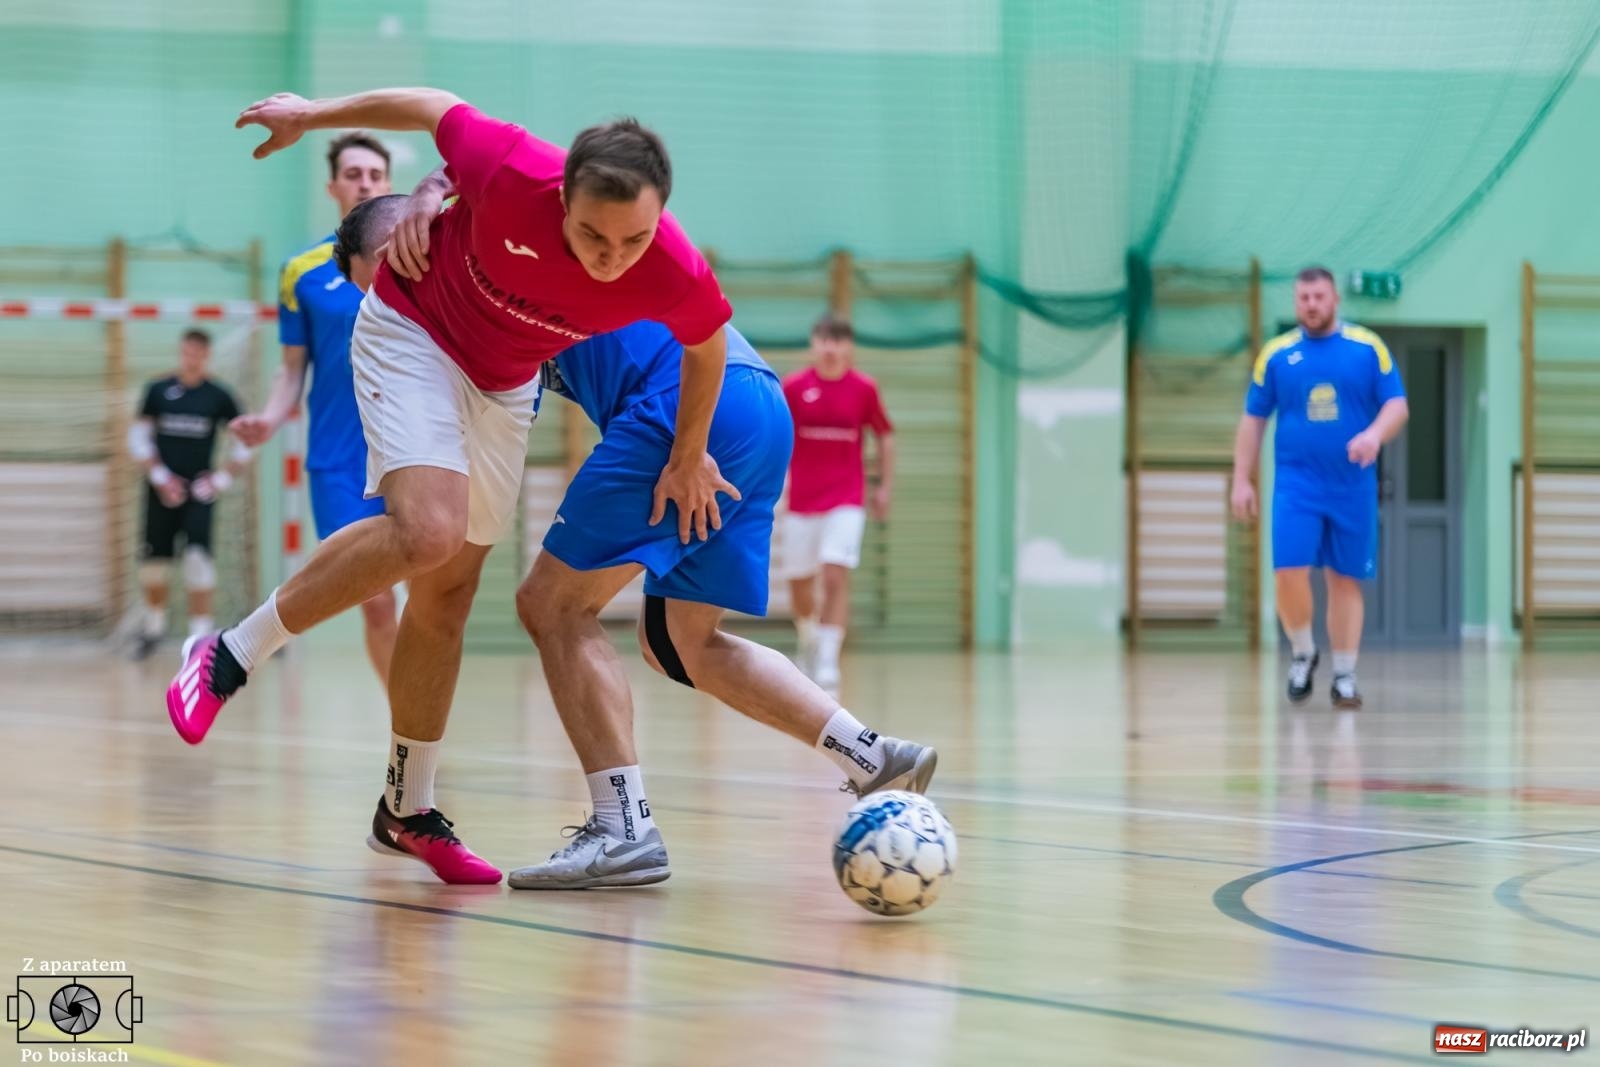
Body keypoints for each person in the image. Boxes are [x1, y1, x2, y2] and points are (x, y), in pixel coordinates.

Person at [168, 87, 737, 887]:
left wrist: (688, 454)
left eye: (632, 239)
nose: (611, 257)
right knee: (428, 531)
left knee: (448, 594)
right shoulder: (511, 165)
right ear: (561, 195)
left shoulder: (671, 262)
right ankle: (229, 652)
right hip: (414, 333)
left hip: (504, 385)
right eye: (590, 235)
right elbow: (433, 106)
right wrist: (312, 115)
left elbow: (707, 349)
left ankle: (407, 808)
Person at [351, 193, 935, 886]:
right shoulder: (490, 290)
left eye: (385, 284)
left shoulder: (492, 258)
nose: (397, 310)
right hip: (757, 404)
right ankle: (870, 755)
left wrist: (689, 445)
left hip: (686, 410)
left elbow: (465, 144)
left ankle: (622, 827)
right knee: (685, 641)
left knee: (553, 605)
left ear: (408, 240)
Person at [229, 131, 400, 686]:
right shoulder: (301, 272)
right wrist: (270, 418)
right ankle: (407, 727)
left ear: (388, 183)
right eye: (354, 174)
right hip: (340, 459)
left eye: (375, 174)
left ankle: (424, 726)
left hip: (416, 447)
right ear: (333, 186)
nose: (365, 183)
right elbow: (292, 369)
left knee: (437, 597)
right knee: (376, 600)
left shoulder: (421, 257)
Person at [1230, 266, 1408, 708]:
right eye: (1303, 298)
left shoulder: (1367, 349)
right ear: (1296, 302)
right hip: (1296, 484)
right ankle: (1303, 652)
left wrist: (1374, 435)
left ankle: (1345, 675)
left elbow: (1397, 406)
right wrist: (1241, 479)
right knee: (1288, 570)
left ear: (1334, 300)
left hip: (1352, 485)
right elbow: (1253, 420)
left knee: (1345, 579)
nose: (1311, 305)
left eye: (1319, 297)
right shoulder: (1276, 355)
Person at [780, 314, 895, 689]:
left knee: (835, 574)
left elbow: (884, 435)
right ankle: (808, 639)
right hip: (801, 501)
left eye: (838, 340)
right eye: (824, 339)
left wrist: (884, 486)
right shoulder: (794, 387)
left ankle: (829, 660)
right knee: (800, 586)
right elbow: (776, 434)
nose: (830, 347)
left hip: (846, 497)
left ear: (849, 347)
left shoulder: (864, 389)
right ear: (814, 344)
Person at [128, 330, 251, 658]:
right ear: (181, 353)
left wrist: (219, 480)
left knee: (199, 560)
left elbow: (244, 443)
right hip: (161, 491)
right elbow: (138, 439)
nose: (191, 358)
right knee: (154, 563)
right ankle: (153, 629)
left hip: (199, 492)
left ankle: (200, 638)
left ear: (206, 355)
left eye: (197, 353)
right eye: (186, 352)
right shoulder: (157, 391)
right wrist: (160, 477)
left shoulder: (219, 396)